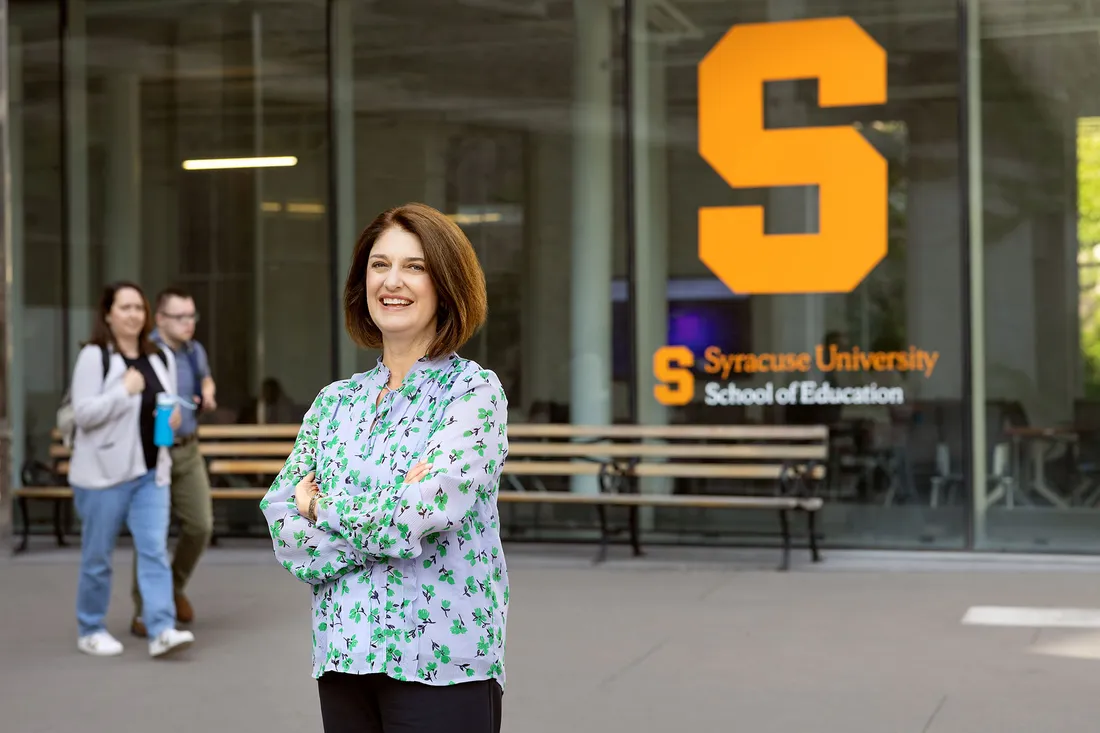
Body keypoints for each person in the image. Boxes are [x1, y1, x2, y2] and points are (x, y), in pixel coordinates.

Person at [260, 203, 509, 733]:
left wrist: (321, 504)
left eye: (414, 266)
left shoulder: (472, 393)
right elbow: (284, 521)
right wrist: (387, 510)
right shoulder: (335, 402)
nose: (392, 281)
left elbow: (413, 517)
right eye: (379, 265)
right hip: (344, 653)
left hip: (442, 661)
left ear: (446, 283)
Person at [68, 281, 196, 658]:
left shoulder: (160, 357)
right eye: (124, 308)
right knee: (97, 556)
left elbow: (165, 404)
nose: (133, 315)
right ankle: (90, 627)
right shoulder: (95, 356)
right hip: (103, 476)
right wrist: (123, 390)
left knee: (154, 550)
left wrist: (171, 419)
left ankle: (161, 628)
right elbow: (84, 415)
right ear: (108, 314)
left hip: (151, 472)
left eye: (138, 308)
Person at [128, 287, 217, 638]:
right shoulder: (144, 352)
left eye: (192, 316)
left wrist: (207, 392)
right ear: (160, 319)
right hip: (153, 453)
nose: (188, 323)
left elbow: (205, 377)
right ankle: (144, 610)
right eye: (180, 317)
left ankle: (172, 588)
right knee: (151, 535)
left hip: (188, 450)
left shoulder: (194, 350)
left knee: (200, 526)